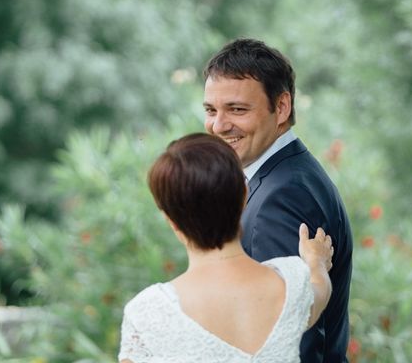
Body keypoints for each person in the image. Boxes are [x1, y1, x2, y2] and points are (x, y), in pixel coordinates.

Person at [118, 133, 334, 363]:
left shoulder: (148, 313)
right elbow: (322, 288)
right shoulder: (291, 284)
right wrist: (316, 261)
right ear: (244, 194)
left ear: (171, 220)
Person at [203, 38, 353, 363]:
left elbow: (293, 338)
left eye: (237, 109)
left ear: (281, 107)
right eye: (211, 110)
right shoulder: (288, 176)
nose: (218, 125)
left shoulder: (284, 196)